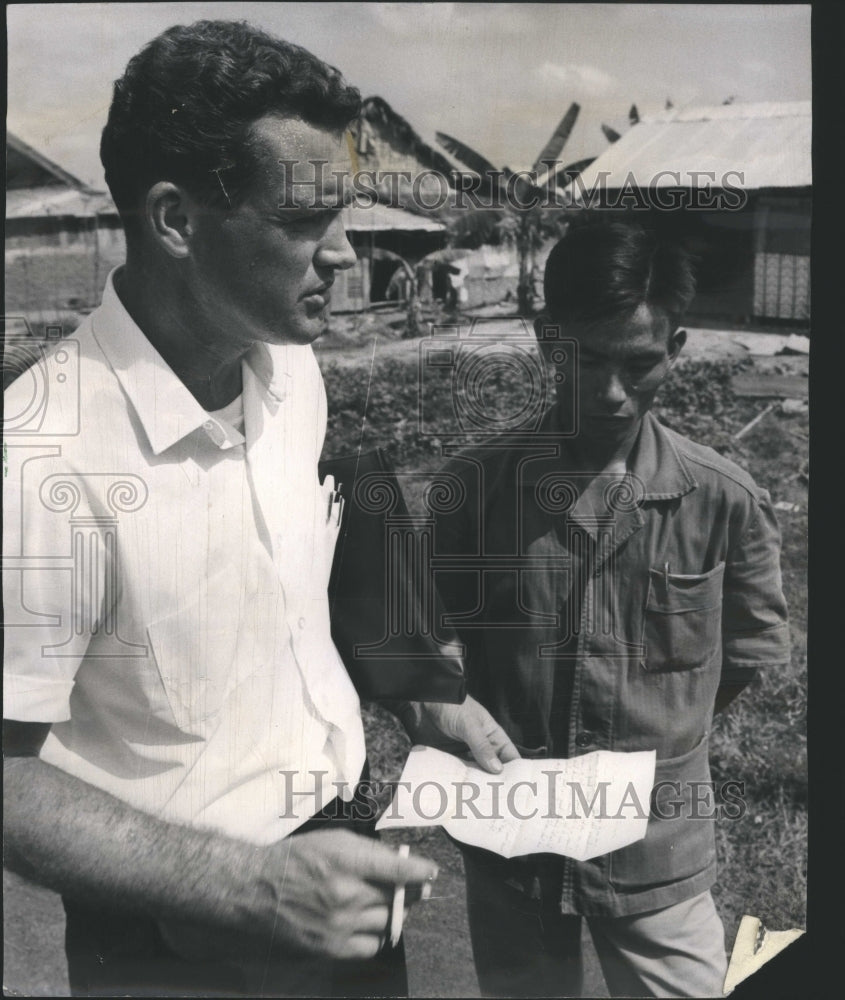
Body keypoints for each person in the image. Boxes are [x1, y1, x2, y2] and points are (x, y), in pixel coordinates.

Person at [2, 20, 515, 998]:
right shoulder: (38, 459)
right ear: (175, 220)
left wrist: (420, 698)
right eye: (303, 222)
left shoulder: (290, 370)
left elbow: (284, 586)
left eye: (346, 214)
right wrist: (249, 886)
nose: (347, 254)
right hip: (169, 941)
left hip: (336, 874)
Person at [429, 217, 791, 998]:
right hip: (512, 841)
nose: (608, 392)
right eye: (583, 359)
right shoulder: (474, 491)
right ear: (542, 337)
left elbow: (747, 657)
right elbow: (434, 642)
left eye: (638, 363)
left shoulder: (722, 500)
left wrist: (654, 728)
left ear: (678, 346)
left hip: (656, 850)